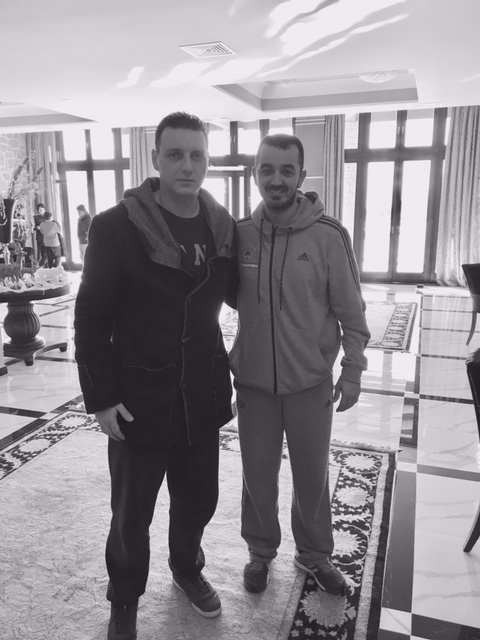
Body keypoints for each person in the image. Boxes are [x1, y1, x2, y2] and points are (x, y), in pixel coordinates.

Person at [74, 112, 236, 640]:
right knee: (131, 514)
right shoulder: (116, 226)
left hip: (202, 392)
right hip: (139, 396)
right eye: (175, 154)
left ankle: (187, 568)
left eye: (197, 155)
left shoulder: (222, 227)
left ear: (208, 160)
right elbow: (91, 317)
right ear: (156, 159)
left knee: (199, 500)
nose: (187, 166)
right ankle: (124, 597)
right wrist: (101, 398)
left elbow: (247, 294)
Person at [228, 133, 371, 597]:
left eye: (286, 170)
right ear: (255, 174)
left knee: (312, 478)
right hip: (254, 386)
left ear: (301, 176)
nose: (276, 179)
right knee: (257, 477)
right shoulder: (239, 234)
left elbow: (352, 312)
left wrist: (352, 370)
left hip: (310, 384)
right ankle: (259, 552)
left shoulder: (329, 235)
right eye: (267, 169)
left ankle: (314, 556)